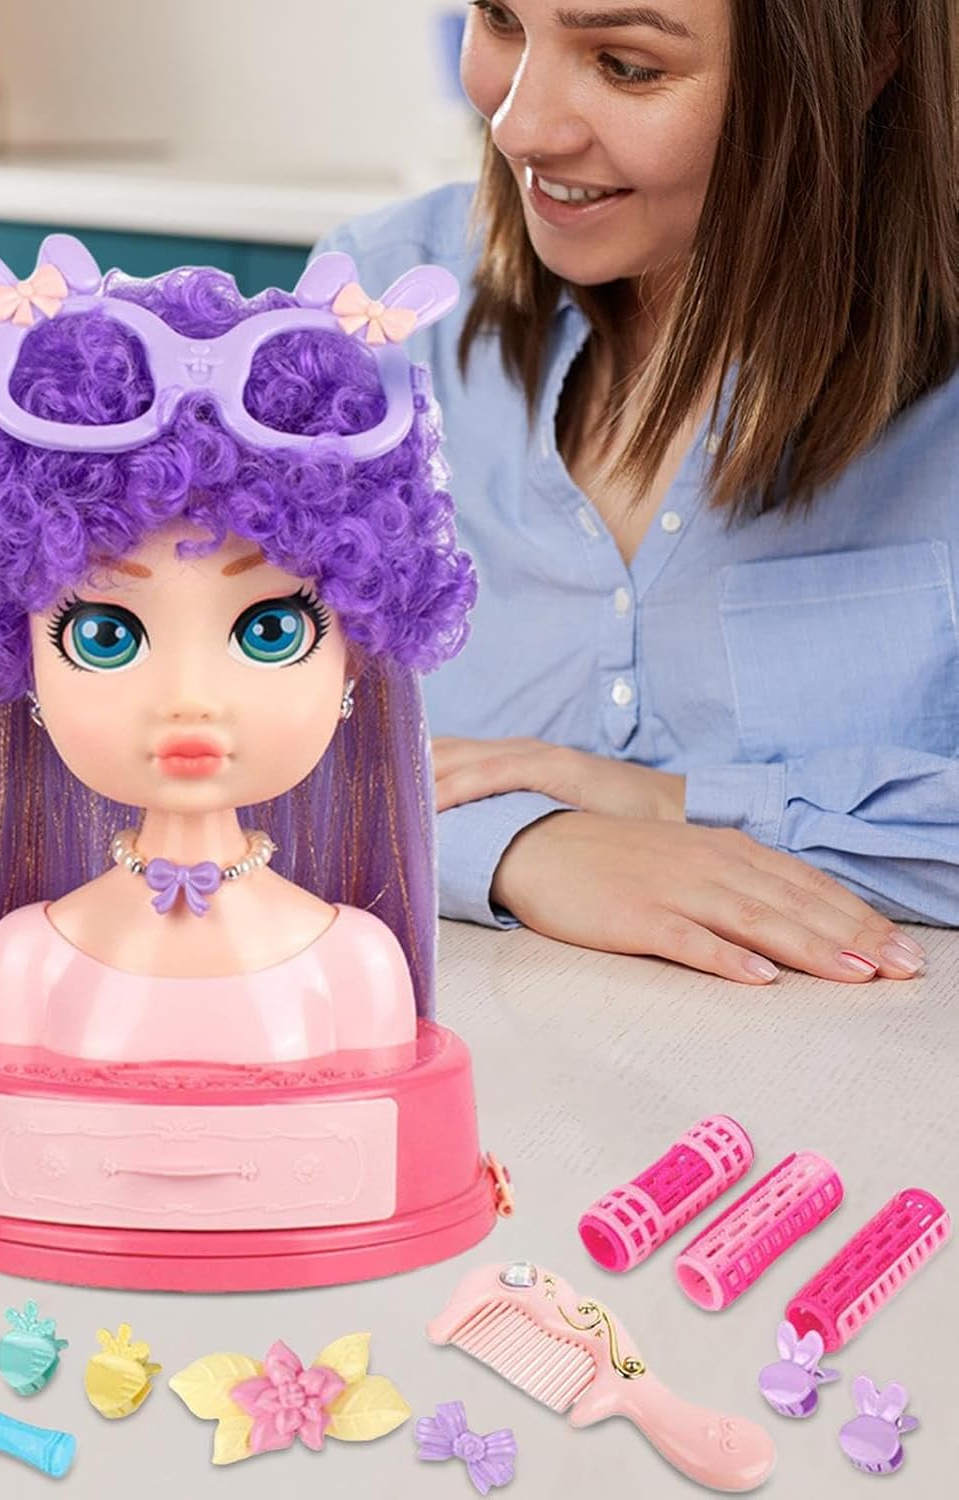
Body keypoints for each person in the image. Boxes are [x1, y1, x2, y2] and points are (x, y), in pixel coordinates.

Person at [315, 0, 958, 985]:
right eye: (500, 19)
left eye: (624, 64)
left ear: (867, 54)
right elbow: (169, 747)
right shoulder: (384, 305)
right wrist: (524, 845)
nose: (519, 127)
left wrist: (666, 802)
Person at [0, 234, 474, 1059]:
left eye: (270, 630)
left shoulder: (359, 969)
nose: (188, 696)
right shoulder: (23, 966)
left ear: (359, 656)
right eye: (106, 635)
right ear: (17, 656)